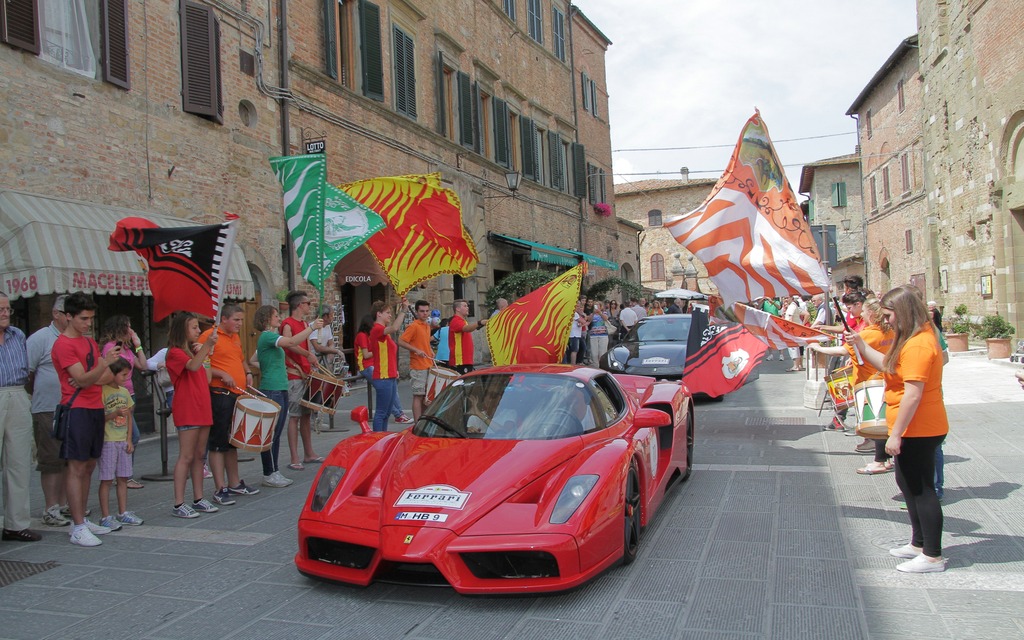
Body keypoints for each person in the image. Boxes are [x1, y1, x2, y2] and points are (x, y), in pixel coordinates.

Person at [846, 285, 949, 573]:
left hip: (920, 427)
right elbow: (888, 366)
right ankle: (918, 543)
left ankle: (932, 556)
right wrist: (860, 344)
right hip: (913, 426)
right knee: (907, 484)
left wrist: (895, 434)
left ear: (902, 312)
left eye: (889, 315)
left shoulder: (918, 344)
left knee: (922, 489)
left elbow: (913, 394)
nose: (886, 320)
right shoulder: (912, 339)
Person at [52, 292, 124, 546]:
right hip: (77, 410)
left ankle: (79, 519)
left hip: (94, 406)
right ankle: (78, 525)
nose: (88, 323)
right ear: (68, 317)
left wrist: (93, 374)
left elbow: (104, 378)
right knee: (77, 466)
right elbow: (82, 379)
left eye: (91, 318)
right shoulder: (63, 344)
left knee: (90, 465)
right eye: (83, 318)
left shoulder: (90, 343)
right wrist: (101, 367)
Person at [810, 296, 894, 461]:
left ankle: (878, 455)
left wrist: (818, 348)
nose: (861, 315)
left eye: (863, 311)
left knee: (873, 419)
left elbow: (843, 350)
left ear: (871, 314)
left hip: (869, 380)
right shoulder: (890, 331)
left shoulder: (868, 334)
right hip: (885, 379)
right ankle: (878, 449)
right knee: (883, 417)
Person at [251, 304, 322, 479]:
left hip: (279, 386)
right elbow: (291, 342)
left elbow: (253, 359)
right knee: (272, 433)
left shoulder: (269, 338)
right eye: (275, 316)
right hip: (273, 389)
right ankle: (270, 472)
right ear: (267, 319)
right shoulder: (268, 336)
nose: (279, 318)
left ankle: (273, 470)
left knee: (275, 431)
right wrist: (312, 327)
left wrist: (270, 367)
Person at [200, 304, 260, 506]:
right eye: (236, 320)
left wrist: (248, 373)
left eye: (241, 320)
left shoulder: (235, 337)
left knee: (233, 441)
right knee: (218, 442)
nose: (240, 324)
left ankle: (235, 482)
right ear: (223, 319)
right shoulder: (209, 336)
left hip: (236, 393)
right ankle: (220, 487)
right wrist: (222, 374)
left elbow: (240, 359)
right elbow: (201, 363)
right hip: (220, 393)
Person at [166, 312, 219, 518]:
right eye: (194, 327)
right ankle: (179, 502)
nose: (198, 331)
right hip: (188, 408)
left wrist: (206, 355)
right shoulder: (175, 353)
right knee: (186, 456)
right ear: (183, 330)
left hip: (202, 406)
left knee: (199, 456)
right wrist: (206, 347)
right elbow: (192, 366)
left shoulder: (195, 351)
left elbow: (205, 377)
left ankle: (198, 498)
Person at [0, 292, 42, 542]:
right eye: (1, 309)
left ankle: (16, 524)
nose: (5, 313)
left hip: (16, 393)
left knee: (19, 462)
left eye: (8, 309)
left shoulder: (18, 336)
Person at [25, 295, 70, 527]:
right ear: (56, 314)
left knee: (66, 458)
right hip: (47, 407)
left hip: (69, 407)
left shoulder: (73, 338)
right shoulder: (40, 339)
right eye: (68, 313)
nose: (72, 317)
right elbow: (28, 373)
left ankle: (63, 504)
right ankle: (50, 507)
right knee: (51, 458)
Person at [99, 315, 147, 490]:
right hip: (115, 397)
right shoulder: (111, 348)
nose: (131, 330)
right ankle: (123, 475)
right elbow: (110, 369)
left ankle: (123, 473)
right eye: (128, 327)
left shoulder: (127, 349)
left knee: (126, 434)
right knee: (131, 435)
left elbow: (143, 365)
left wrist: (138, 344)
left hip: (130, 395)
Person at [97, 358, 143, 529]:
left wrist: (129, 438)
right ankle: (105, 515)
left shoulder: (124, 392)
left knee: (123, 477)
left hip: (122, 440)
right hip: (108, 440)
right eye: (123, 374)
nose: (126, 377)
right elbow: (99, 417)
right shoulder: (102, 391)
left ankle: (123, 512)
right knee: (106, 479)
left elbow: (129, 417)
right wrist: (114, 413)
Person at [280, 291, 324, 468]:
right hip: (294, 374)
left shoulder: (304, 323)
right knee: (295, 416)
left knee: (306, 415)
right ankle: (294, 458)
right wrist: (305, 357)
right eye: (307, 303)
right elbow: (288, 345)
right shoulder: (287, 324)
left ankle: (309, 453)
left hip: (305, 373)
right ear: (300, 305)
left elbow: (306, 345)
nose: (309, 306)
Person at [355, 315, 412, 423]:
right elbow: (366, 355)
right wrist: (378, 351)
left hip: (376, 364)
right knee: (386, 394)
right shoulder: (362, 336)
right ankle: (398, 414)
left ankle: (399, 413)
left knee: (392, 391)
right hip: (366, 366)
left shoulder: (373, 335)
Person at [370, 299, 408, 432]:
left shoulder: (383, 332)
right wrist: (403, 310)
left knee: (386, 413)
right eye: (387, 312)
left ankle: (383, 437)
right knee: (381, 412)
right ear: (378, 314)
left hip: (390, 375)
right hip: (383, 376)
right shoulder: (377, 329)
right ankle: (377, 439)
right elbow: (395, 328)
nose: (390, 315)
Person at [397, 300, 434, 420]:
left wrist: (430, 350)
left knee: (426, 397)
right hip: (418, 366)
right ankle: (418, 423)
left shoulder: (427, 326)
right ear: (417, 312)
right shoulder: (413, 326)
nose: (425, 313)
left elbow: (424, 342)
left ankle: (423, 421)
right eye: (422, 311)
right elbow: (401, 341)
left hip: (428, 364)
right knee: (418, 396)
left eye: (427, 311)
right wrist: (416, 350)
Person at [448, 299, 487, 374]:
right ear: (457, 309)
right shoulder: (456, 320)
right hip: (460, 361)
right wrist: (479, 322)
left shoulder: (463, 321)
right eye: (465, 306)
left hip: (465, 360)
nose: (467, 307)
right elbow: (466, 329)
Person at [311, 308, 345, 373]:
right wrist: (336, 351)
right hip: (313, 362)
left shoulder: (327, 327)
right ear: (325, 317)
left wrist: (330, 351)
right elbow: (317, 347)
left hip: (323, 361)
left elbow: (331, 343)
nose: (333, 317)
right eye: (331, 315)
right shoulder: (313, 326)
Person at [785, 295, 809, 371]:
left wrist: (790, 328)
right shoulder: (794, 305)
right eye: (784, 298)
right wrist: (802, 325)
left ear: (791, 298)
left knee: (793, 348)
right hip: (796, 328)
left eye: (786, 298)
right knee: (797, 348)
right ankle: (798, 365)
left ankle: (796, 366)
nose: (785, 299)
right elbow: (807, 314)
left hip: (792, 330)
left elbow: (790, 318)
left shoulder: (792, 306)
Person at [565, 300, 587, 364]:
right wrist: (583, 316)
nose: (578, 308)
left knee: (578, 349)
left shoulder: (574, 314)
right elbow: (583, 321)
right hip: (574, 335)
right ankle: (573, 364)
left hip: (576, 334)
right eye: (577, 306)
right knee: (574, 350)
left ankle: (574, 362)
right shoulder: (574, 313)